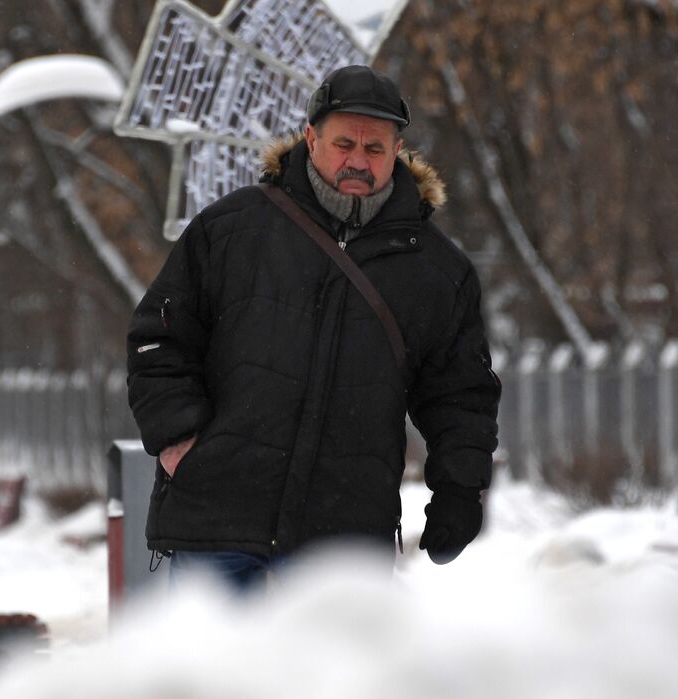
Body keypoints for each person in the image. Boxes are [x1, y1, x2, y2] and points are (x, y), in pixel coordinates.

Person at [127, 65, 500, 592]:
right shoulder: (233, 229)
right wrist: (179, 441)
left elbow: (460, 394)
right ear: (310, 137)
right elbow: (158, 338)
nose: (357, 160)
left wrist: (459, 491)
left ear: (397, 151)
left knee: (334, 678)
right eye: (343, 143)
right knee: (212, 676)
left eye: (374, 149)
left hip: (343, 537)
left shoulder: (437, 270)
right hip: (217, 521)